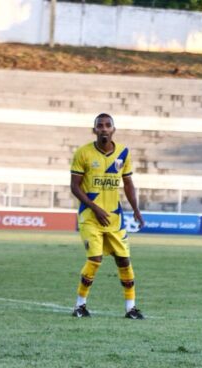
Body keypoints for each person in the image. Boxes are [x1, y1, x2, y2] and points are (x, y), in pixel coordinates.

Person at [69, 113, 145, 319]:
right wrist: (94, 208)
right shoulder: (83, 153)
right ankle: (79, 306)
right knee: (95, 259)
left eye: (107, 125)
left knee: (124, 261)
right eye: (99, 126)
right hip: (90, 217)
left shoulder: (123, 153)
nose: (103, 128)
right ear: (94, 130)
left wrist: (136, 210)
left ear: (113, 129)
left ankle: (131, 309)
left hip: (115, 218)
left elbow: (128, 184)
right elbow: (74, 187)